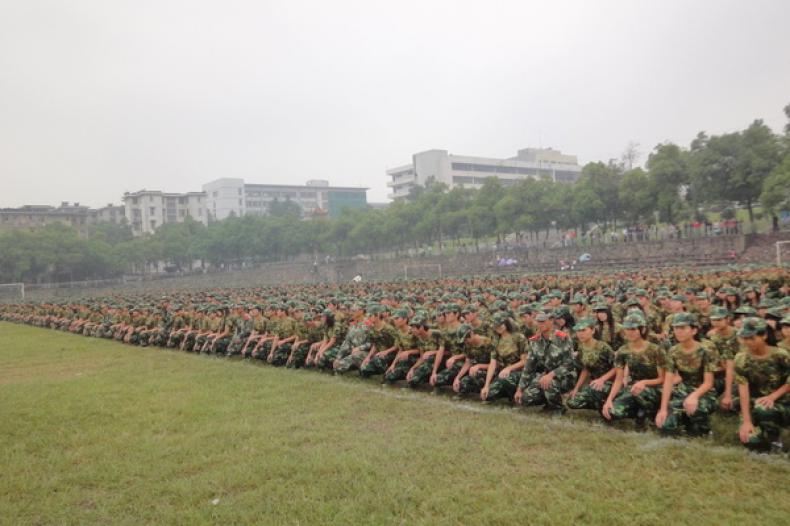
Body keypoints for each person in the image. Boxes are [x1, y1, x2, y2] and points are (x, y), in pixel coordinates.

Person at [655, 313, 719, 436]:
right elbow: (668, 381)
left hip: (703, 392)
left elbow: (708, 383)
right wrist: (663, 409)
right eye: (676, 328)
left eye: (683, 328)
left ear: (694, 330)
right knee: (666, 427)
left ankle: (704, 428)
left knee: (697, 411)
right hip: (683, 390)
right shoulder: (673, 351)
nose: (678, 332)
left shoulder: (705, 350)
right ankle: (684, 419)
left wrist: (694, 396)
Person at [733, 317, 790, 451]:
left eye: (752, 338)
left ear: (764, 335)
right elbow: (743, 389)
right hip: (756, 401)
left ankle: (774, 439)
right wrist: (746, 421)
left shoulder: (780, 355)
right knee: (750, 440)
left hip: (783, 401)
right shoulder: (741, 358)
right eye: (745, 338)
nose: (748, 342)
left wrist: (772, 397)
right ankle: (764, 436)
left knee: (763, 409)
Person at [602, 312, 666, 426]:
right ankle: (637, 411)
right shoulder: (623, 351)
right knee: (611, 413)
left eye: (633, 329)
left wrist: (644, 382)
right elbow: (618, 379)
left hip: (655, 388)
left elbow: (662, 379)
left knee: (641, 392)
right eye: (627, 329)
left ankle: (650, 411)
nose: (630, 332)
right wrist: (609, 400)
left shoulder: (656, 350)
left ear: (642, 330)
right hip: (634, 388)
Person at [514, 311, 575, 414]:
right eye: (538, 322)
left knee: (549, 384)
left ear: (551, 321)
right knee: (525, 398)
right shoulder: (535, 341)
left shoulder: (563, 338)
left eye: (543, 321)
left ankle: (558, 407)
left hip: (565, 376)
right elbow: (529, 367)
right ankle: (549, 401)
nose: (540, 324)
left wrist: (551, 375)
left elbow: (570, 363)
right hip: (545, 376)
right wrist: (520, 389)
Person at [566, 317, 616, 411]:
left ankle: (609, 403)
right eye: (578, 331)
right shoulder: (582, 347)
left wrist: (602, 379)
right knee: (572, 402)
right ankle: (599, 403)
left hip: (610, 383)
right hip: (595, 383)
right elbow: (586, 368)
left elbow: (617, 368)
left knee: (594, 390)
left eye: (583, 330)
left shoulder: (603, 347)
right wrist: (577, 388)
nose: (580, 334)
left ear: (592, 330)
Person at [480, 312, 528, 402]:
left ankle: (514, 394)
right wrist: (486, 385)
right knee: (487, 396)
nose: (498, 327)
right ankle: (505, 393)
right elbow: (492, 363)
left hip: (518, 372)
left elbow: (524, 361)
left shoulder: (519, 338)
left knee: (504, 380)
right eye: (496, 325)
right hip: (502, 372)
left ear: (506, 323)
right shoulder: (496, 340)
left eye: (500, 324)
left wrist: (509, 369)